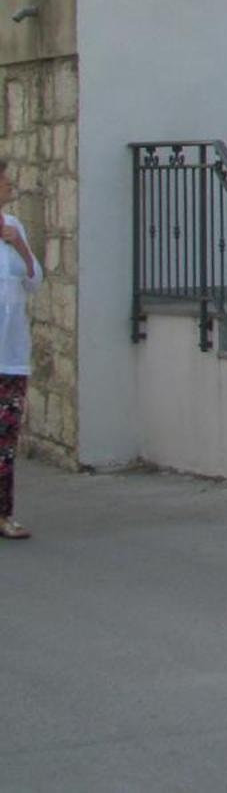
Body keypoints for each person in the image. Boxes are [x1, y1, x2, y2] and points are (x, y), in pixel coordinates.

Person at [0, 158, 42, 541]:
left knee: (5, 440)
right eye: (5, 181)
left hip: (10, 353)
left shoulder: (14, 227)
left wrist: (22, 248)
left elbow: (33, 282)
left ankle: (4, 515)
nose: (11, 186)